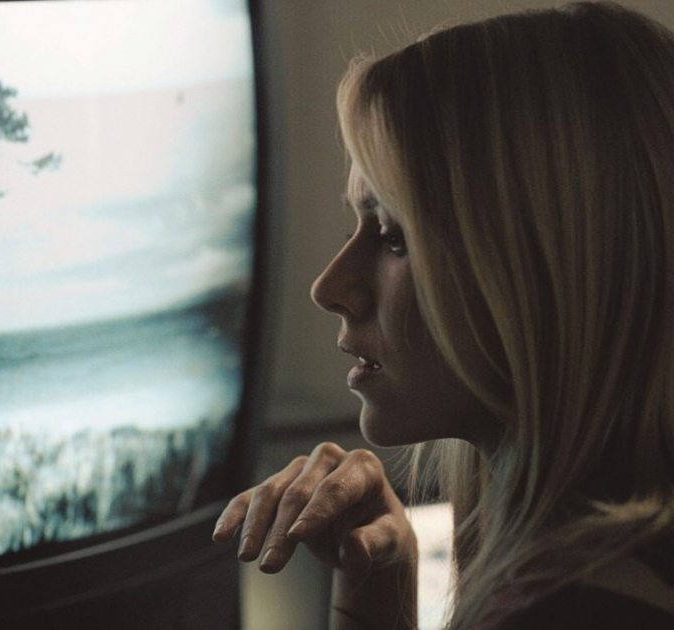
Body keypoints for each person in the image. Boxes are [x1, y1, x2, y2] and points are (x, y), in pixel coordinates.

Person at [212, 2, 674, 628]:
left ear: (544, 268)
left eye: (393, 235)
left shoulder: (574, 611)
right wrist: (380, 585)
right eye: (357, 227)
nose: (330, 287)